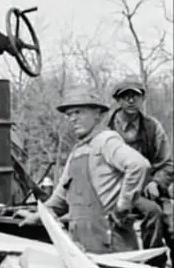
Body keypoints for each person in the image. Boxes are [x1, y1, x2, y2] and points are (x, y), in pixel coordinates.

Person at [16, 89, 151, 253]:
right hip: (82, 242)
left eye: (79, 112)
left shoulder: (106, 141)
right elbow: (59, 200)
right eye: (69, 114)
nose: (73, 118)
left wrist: (122, 208)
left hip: (111, 243)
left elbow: (138, 165)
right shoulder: (77, 151)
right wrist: (39, 216)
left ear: (97, 114)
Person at [106, 75, 174, 255]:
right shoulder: (105, 128)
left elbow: (167, 163)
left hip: (147, 188)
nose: (130, 100)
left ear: (142, 99)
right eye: (125, 96)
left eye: (135, 96)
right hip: (114, 188)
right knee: (153, 213)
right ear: (118, 100)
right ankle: (152, 267)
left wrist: (157, 182)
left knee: (171, 223)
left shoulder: (153, 127)